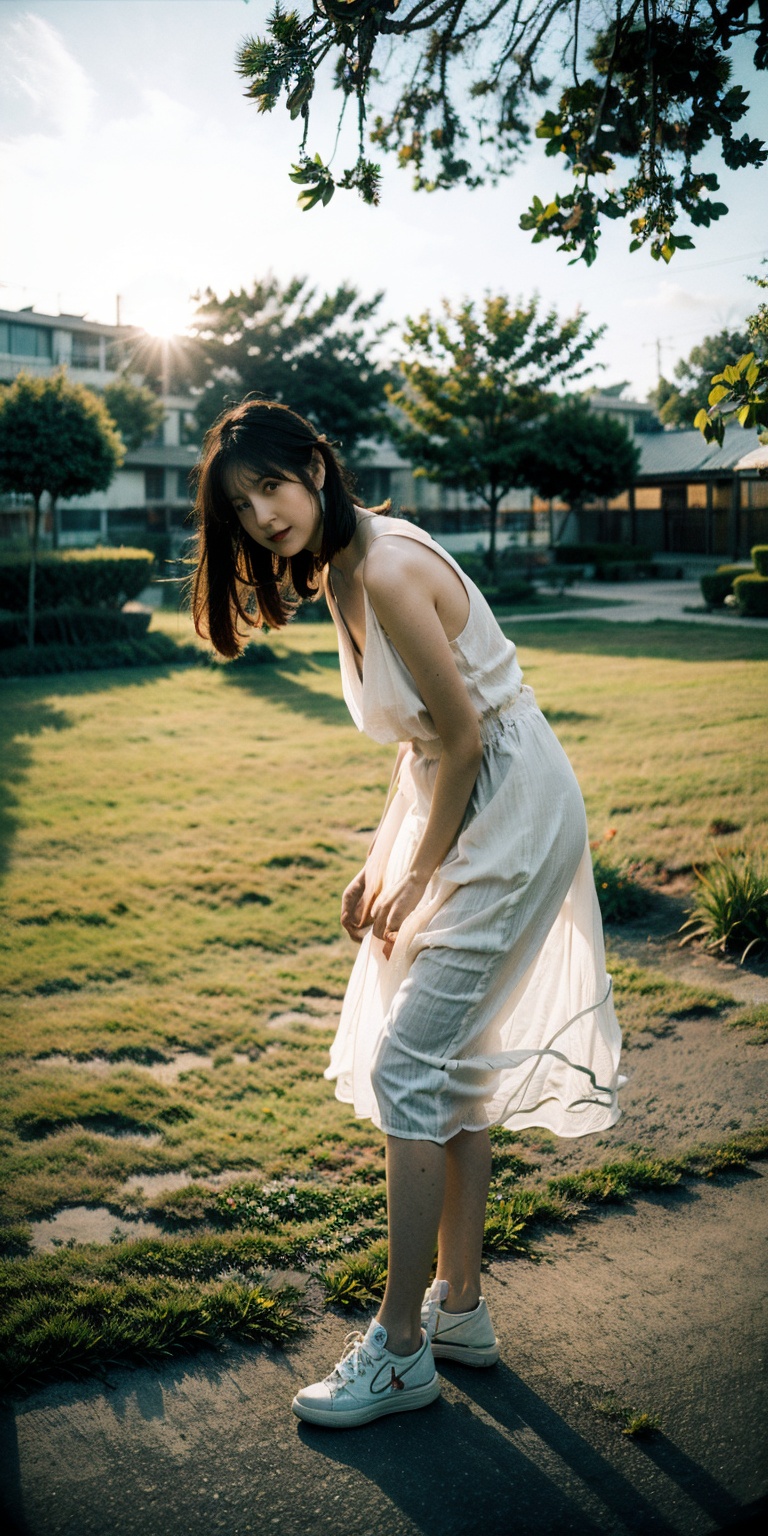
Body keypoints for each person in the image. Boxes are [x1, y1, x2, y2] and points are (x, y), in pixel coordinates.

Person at [191, 398, 623, 1431]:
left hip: (509, 803)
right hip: (467, 794)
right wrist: (379, 860)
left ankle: (398, 1350)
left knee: (410, 1064)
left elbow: (469, 737)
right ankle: (460, 1310)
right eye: (241, 506)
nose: (260, 518)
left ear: (316, 467)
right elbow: (422, 738)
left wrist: (419, 880)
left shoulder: (381, 567)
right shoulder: (343, 567)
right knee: (450, 1060)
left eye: (271, 489)